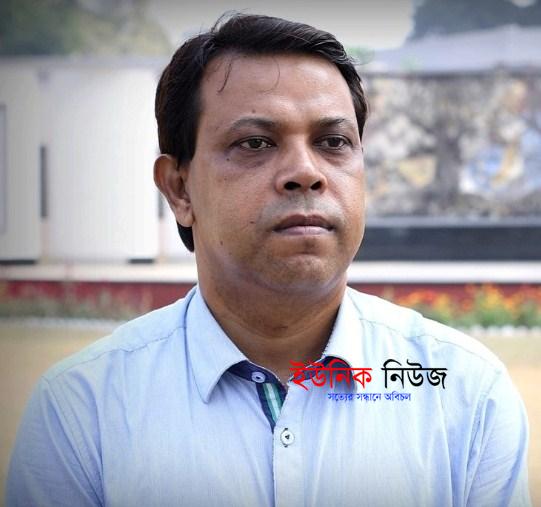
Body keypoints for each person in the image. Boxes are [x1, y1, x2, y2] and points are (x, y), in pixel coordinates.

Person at [6, 13, 531, 507]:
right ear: (179, 189)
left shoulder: (463, 394)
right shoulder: (83, 412)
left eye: (333, 142)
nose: (306, 172)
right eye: (255, 143)